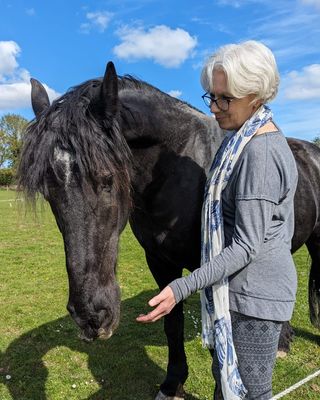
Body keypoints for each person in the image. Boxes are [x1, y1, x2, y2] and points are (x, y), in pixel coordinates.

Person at [137, 40, 298, 400]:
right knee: (226, 385)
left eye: (225, 99)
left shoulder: (260, 153)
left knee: (247, 392)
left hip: (255, 299)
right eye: (211, 96)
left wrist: (179, 288)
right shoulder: (238, 141)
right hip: (237, 292)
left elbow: (245, 245)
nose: (214, 108)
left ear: (255, 95)